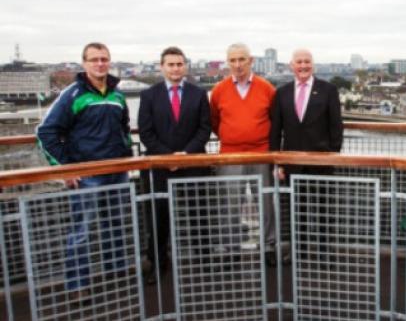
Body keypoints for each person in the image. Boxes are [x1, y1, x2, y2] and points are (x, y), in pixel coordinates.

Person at [37, 42, 133, 301]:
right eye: (94, 59)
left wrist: (127, 157)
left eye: (104, 59)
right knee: (82, 230)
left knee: (114, 225)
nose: (100, 63)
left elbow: (124, 129)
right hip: (88, 173)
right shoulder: (73, 94)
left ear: (109, 62)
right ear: (84, 63)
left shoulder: (117, 95)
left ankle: (117, 274)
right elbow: (46, 132)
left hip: (117, 170)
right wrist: (66, 168)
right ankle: (78, 284)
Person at [137, 46, 211, 284]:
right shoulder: (149, 95)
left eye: (179, 64)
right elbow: (146, 133)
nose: (175, 68)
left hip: (193, 163)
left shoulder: (198, 94)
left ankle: (203, 262)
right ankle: (159, 264)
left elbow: (204, 128)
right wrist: (169, 157)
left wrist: (185, 154)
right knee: (159, 218)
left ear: (185, 66)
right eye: (171, 64)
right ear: (162, 67)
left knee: (199, 215)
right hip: (161, 166)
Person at [210, 43, 277, 260]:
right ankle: (231, 249)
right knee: (230, 203)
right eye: (233, 60)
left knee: (265, 202)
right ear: (227, 62)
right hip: (230, 154)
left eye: (242, 60)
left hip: (261, 152)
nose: (238, 65)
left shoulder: (266, 88)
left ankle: (268, 245)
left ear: (251, 61)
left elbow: (275, 120)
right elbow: (214, 121)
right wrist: (233, 137)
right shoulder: (219, 90)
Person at [269, 48, 344, 175]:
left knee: (322, 196)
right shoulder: (281, 93)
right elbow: (275, 132)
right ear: (292, 66)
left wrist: (332, 157)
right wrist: (276, 163)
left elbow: (336, 126)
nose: (303, 66)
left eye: (307, 62)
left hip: (321, 164)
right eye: (299, 62)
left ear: (313, 65)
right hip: (290, 164)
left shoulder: (329, 90)